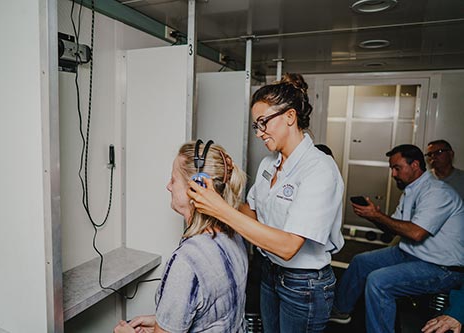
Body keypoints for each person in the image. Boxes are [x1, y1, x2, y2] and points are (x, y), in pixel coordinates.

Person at [188, 73, 345, 332]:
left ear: (290, 117)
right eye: (256, 126)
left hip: (303, 284)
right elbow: (252, 213)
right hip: (270, 273)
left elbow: (287, 246)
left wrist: (220, 209)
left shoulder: (319, 170)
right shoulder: (268, 165)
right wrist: (220, 190)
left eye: (263, 123)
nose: (259, 133)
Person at [113, 140, 248, 333]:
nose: (168, 186)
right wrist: (161, 322)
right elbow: (213, 318)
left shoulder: (186, 262)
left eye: (174, 179)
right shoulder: (235, 236)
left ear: (196, 188)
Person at [329, 144, 464, 333]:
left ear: (415, 165)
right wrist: (373, 215)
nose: (393, 174)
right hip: (410, 252)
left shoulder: (437, 192)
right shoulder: (411, 191)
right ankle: (341, 311)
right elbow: (394, 229)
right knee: (361, 261)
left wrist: (377, 216)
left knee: (379, 281)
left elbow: (416, 233)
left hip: (442, 267)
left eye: (397, 168)